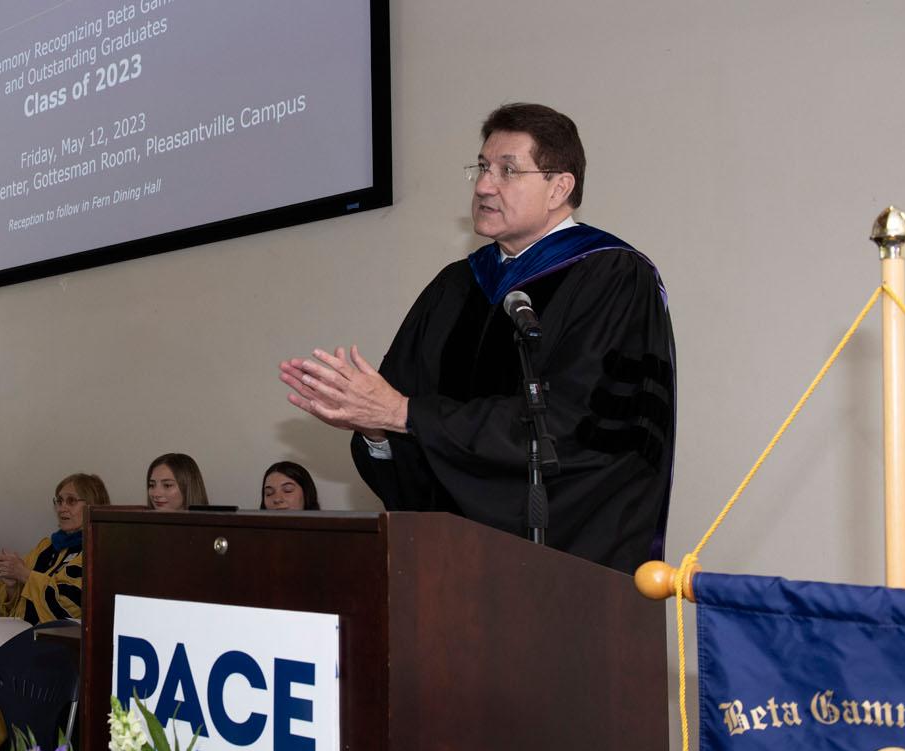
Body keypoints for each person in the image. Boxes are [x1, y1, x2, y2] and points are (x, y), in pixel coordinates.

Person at [280, 103, 675, 573]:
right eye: (483, 168)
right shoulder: (455, 286)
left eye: (508, 170)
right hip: (449, 570)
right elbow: (404, 412)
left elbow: (580, 426)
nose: (485, 185)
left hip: (565, 567)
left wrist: (403, 414)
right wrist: (375, 429)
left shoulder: (614, 277)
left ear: (560, 187)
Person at [0, 473, 109, 623]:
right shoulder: (46, 547)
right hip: (24, 636)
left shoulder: (97, 552)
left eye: (71, 501)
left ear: (92, 505)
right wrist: (12, 585)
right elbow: (18, 611)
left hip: (65, 642)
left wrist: (24, 574)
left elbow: (68, 608)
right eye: (59, 501)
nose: (62, 508)